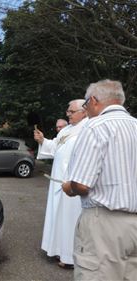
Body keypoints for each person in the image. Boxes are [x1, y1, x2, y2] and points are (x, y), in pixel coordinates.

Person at [62, 80, 137, 280]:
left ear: (94, 100)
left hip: (104, 224)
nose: (86, 110)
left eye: (85, 105)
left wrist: (69, 186)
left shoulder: (95, 127)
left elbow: (82, 184)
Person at [34, 99, 88, 268]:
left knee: (70, 220)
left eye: (71, 112)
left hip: (74, 183)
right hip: (58, 182)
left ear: (84, 111)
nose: (68, 114)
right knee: (58, 217)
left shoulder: (89, 129)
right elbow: (55, 146)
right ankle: (57, 249)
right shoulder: (68, 129)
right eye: (68, 112)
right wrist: (43, 141)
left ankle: (70, 258)